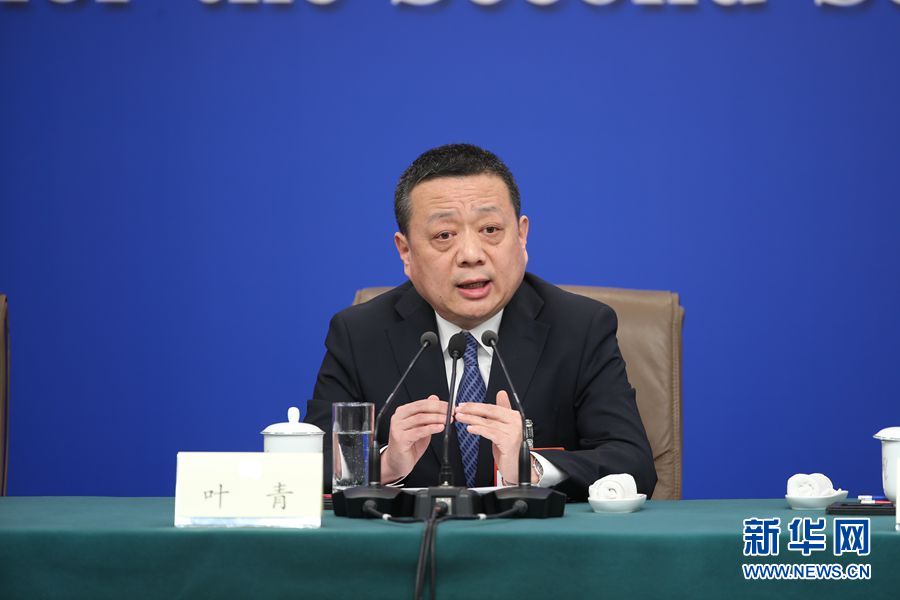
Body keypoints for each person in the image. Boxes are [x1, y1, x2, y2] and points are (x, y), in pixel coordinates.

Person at [305, 143, 656, 501]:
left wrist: (531, 467)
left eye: (490, 229)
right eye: (444, 235)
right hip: (410, 537)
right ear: (406, 251)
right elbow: (308, 465)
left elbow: (634, 464)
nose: (471, 255)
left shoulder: (581, 328)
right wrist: (383, 465)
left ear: (521, 235)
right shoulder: (360, 334)